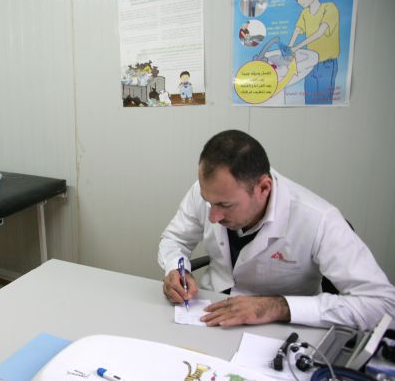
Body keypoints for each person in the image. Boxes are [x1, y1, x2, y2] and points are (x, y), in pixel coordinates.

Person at [158, 129, 395, 330]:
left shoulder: (319, 219)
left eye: (225, 205)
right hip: (208, 314)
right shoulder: (213, 192)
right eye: (208, 201)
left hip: (279, 328)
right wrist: (175, 268)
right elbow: (174, 239)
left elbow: (384, 305)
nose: (213, 216)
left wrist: (278, 306)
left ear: (263, 187)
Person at [287, 0, 340, 105]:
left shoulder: (329, 8)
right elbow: (297, 30)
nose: (299, 2)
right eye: (297, 0)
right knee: (309, 103)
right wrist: (289, 48)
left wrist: (296, 48)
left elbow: (319, 33)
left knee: (324, 103)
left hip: (327, 64)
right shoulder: (305, 13)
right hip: (310, 64)